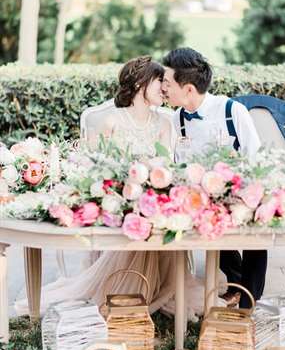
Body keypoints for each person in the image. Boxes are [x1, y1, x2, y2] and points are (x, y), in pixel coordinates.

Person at [15, 56, 226, 319]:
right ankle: (128, 289)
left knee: (164, 219)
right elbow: (93, 165)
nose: (164, 87)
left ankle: (158, 288)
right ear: (141, 83)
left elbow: (167, 164)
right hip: (119, 198)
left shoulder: (164, 123)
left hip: (151, 197)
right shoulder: (110, 121)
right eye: (160, 80)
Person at [161, 47, 267, 306]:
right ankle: (234, 282)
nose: (163, 88)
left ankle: (249, 300)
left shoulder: (232, 111)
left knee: (254, 226)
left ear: (187, 88)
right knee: (206, 217)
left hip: (242, 191)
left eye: (167, 82)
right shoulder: (177, 119)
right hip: (203, 197)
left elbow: (256, 158)